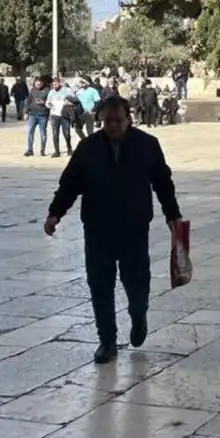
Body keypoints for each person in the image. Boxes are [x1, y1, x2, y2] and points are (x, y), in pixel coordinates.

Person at [45, 96, 182, 364]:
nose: (113, 125)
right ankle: (107, 340)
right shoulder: (88, 147)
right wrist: (55, 213)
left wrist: (173, 216)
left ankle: (138, 315)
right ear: (101, 121)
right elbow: (70, 184)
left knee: (137, 283)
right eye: (108, 121)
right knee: (100, 285)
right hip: (97, 228)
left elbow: (163, 182)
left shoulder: (147, 145)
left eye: (118, 120)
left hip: (134, 228)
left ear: (128, 118)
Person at [46, 78, 76, 158]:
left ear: (59, 83)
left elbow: (74, 99)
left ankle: (69, 149)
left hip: (64, 115)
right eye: (53, 84)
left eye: (56, 84)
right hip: (54, 115)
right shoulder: (51, 92)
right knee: (55, 134)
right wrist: (49, 104)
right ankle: (57, 151)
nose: (54, 86)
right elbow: (47, 102)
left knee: (66, 134)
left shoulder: (67, 90)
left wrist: (69, 102)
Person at [24, 79, 50, 156]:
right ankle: (30, 150)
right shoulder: (32, 90)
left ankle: (42, 150)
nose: (38, 84)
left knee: (43, 133)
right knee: (29, 132)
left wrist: (44, 102)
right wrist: (26, 112)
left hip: (43, 115)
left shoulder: (48, 90)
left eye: (40, 82)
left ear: (42, 83)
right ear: (34, 83)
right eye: (36, 82)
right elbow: (28, 101)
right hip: (32, 115)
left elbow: (51, 102)